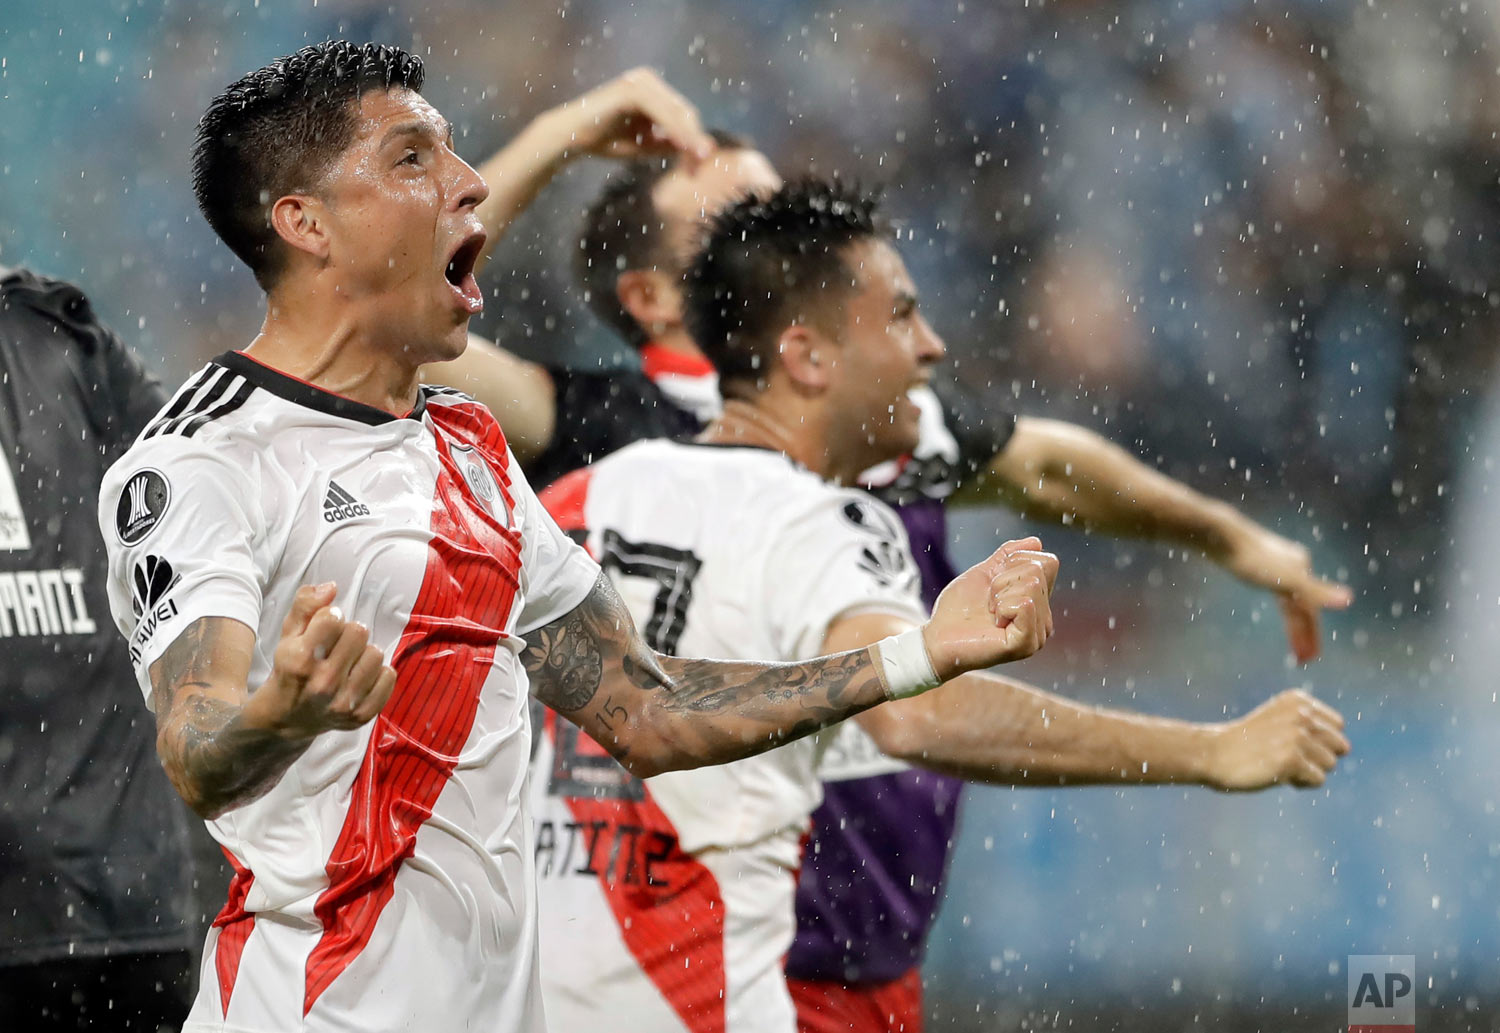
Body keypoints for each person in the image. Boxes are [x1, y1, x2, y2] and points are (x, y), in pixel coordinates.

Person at [95, 42, 1061, 1033]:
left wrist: (917, 653)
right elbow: (195, 738)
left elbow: (649, 709)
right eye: (413, 159)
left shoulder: (466, 443)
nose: (470, 183)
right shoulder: (200, 462)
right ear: (305, 223)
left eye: (453, 153)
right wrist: (277, 716)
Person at [447, 129, 1354, 1029]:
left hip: (570, 979)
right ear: (801, 353)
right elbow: (918, 715)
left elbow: (1047, 464)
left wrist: (1230, 537)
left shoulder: (570, 496)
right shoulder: (775, 496)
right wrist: (1212, 750)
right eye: (900, 316)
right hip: (745, 976)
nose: (932, 346)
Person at [0, 266, 196, 1030]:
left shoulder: (64, 341)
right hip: (121, 902)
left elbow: (198, 493)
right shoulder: (59, 341)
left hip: (123, 913)